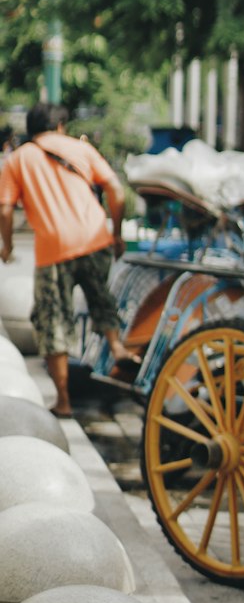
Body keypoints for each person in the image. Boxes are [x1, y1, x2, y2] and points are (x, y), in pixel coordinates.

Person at [0, 103, 137, 417]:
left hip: (53, 249)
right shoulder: (79, 148)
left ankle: (63, 401)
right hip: (94, 238)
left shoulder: (17, 159)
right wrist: (116, 232)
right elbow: (115, 190)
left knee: (53, 322)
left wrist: (6, 247)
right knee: (100, 297)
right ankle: (116, 345)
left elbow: (5, 209)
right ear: (60, 126)